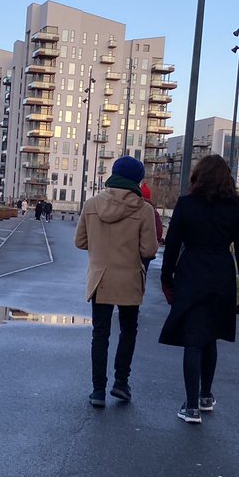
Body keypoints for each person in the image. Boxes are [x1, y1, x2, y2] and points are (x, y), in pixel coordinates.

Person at [158, 153, 239, 424]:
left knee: (193, 339)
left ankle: (190, 407)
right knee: (210, 335)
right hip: (221, 273)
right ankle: (205, 395)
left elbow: (173, 245)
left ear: (198, 177)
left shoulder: (186, 204)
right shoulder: (236, 207)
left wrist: (167, 280)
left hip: (191, 273)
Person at [75, 156, 158, 407]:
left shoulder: (91, 204)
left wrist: (99, 248)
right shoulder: (144, 210)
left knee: (100, 335)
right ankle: (121, 382)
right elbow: (149, 250)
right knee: (128, 331)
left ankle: (97, 390)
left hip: (100, 278)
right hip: (129, 279)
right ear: (137, 180)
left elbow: (79, 242)